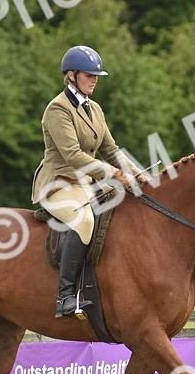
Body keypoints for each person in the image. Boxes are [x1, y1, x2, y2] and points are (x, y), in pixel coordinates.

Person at [31, 45, 146, 319]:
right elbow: (72, 155)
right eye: (89, 75)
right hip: (58, 183)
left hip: (85, 183)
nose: (94, 80)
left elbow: (111, 150)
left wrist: (141, 175)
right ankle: (65, 297)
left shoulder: (94, 108)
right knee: (84, 220)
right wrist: (114, 174)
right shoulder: (57, 109)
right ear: (71, 75)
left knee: (125, 206)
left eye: (96, 76)